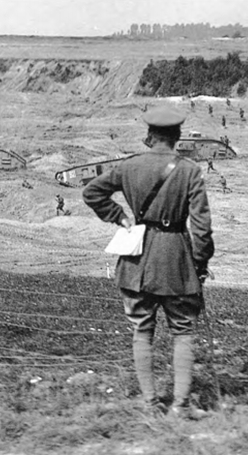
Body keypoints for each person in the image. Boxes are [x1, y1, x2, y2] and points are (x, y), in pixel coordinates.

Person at [83, 106, 215, 418]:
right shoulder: (189, 171)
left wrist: (120, 216)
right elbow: (202, 228)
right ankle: (181, 407)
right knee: (183, 331)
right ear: (177, 137)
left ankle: (150, 404)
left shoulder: (129, 166)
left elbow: (92, 192)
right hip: (176, 261)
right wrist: (199, 263)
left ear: (149, 136)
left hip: (136, 261)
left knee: (141, 330)